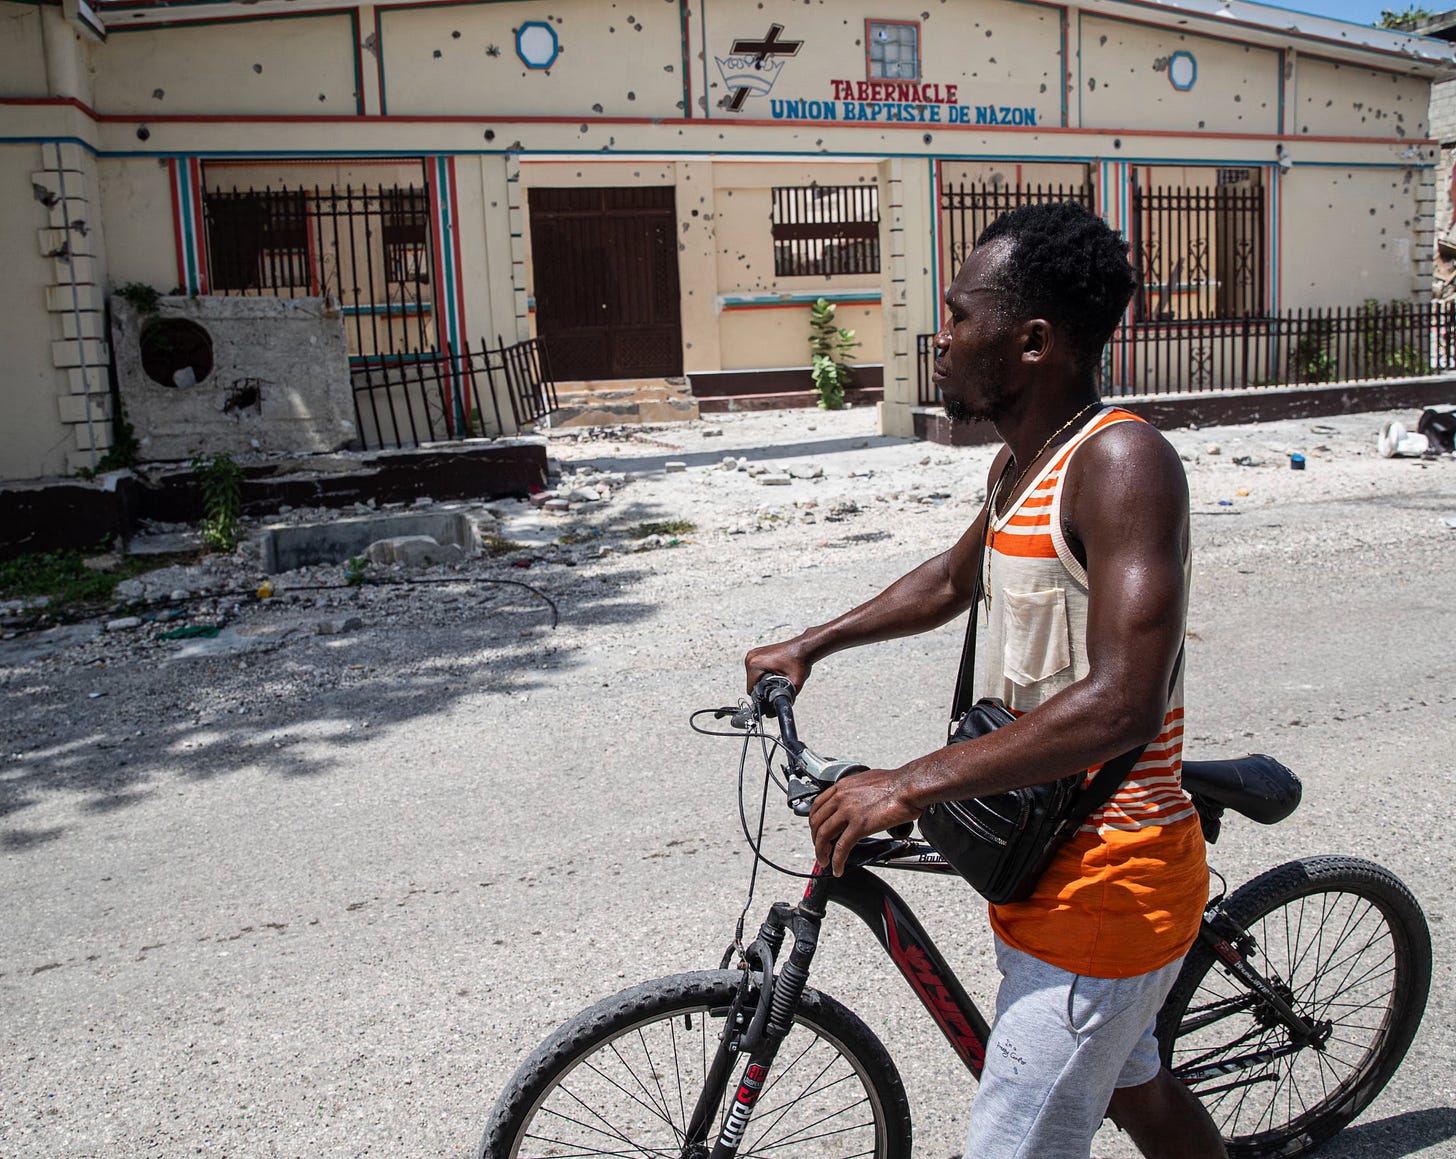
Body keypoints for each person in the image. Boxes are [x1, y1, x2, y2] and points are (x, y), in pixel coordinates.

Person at [744, 201, 1228, 1159]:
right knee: (1136, 1088)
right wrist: (813, 642)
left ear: (1034, 339)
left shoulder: (1123, 463)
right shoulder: (1025, 463)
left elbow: (1125, 699)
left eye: (962, 317)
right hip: (1047, 860)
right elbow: (951, 579)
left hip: (1108, 883)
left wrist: (908, 781)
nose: (945, 338)